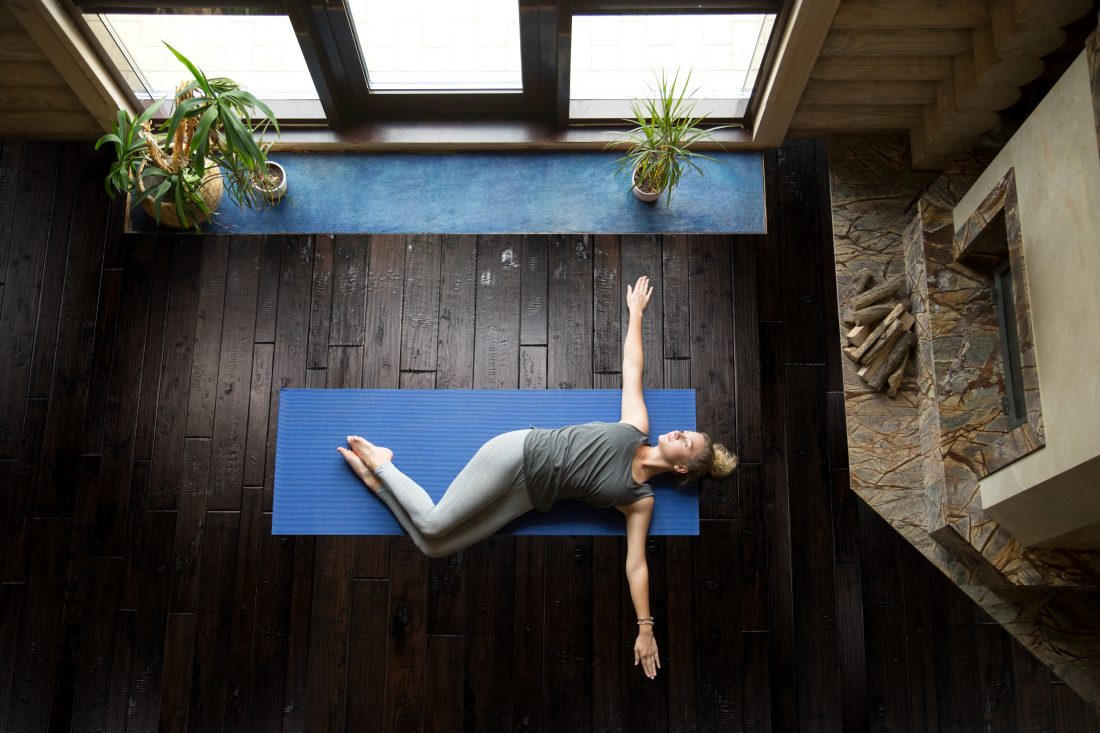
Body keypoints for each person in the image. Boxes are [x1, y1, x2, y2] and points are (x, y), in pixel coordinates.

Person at [338, 275, 737, 679]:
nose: (679, 432)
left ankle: (380, 487)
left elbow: (636, 565)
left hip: (527, 499)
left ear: (682, 467)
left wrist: (645, 628)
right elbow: (633, 367)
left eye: (686, 441)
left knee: (433, 547)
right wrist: (636, 313)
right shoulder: (637, 426)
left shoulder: (640, 500)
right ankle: (383, 464)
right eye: (685, 431)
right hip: (519, 454)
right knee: (432, 523)